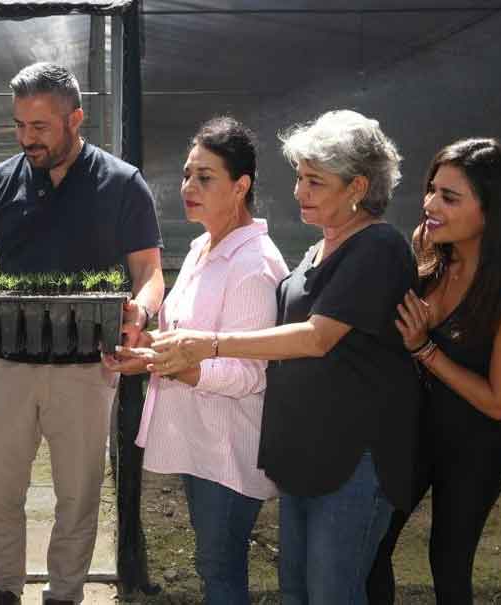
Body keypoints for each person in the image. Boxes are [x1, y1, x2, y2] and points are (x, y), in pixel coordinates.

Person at [140, 110, 420, 605]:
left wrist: (212, 344)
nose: (299, 191)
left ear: (357, 185)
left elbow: (317, 337)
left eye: (315, 181)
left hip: (355, 457)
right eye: (299, 177)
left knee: (332, 591)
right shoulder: (316, 253)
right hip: (306, 455)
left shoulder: (377, 247)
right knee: (297, 590)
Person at [0, 62, 164, 605]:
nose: (27, 138)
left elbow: (149, 273)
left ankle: (65, 594)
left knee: (77, 498)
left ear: (75, 119)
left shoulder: (121, 183)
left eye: (40, 127)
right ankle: (2, 590)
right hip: (9, 365)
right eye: (19, 126)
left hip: (86, 369)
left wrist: (141, 313)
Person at [106, 117, 287, 604]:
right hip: (202, 441)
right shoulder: (201, 248)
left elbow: (250, 372)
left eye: (205, 177)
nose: (189, 186)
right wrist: (147, 357)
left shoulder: (253, 264)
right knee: (214, 566)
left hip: (229, 448)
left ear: (241, 186)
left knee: (220, 570)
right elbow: (180, 341)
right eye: (188, 174)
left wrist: (170, 365)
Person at [367, 139, 501, 604]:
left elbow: (499, 401)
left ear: (494, 210)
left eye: (449, 197)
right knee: (371, 551)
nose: (429, 205)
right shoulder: (428, 255)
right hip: (412, 436)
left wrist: (425, 349)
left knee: (448, 569)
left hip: (471, 450)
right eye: (430, 190)